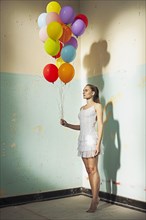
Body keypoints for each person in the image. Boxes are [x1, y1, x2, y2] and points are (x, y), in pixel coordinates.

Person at [60, 84, 103, 213]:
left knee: (93, 169)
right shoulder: (82, 108)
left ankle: (94, 200)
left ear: (93, 92)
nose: (83, 92)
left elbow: (100, 125)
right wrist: (67, 125)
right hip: (82, 140)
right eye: (83, 90)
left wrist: (98, 144)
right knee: (89, 170)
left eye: (86, 90)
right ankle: (96, 197)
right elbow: (82, 126)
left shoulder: (97, 106)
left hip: (92, 140)